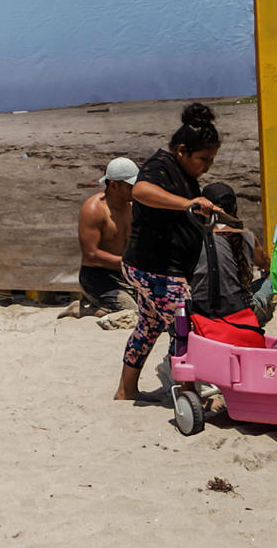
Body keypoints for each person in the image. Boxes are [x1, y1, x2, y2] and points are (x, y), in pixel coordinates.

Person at [114, 103, 229, 401]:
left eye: (211, 160)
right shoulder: (161, 165)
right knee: (185, 330)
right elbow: (140, 191)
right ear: (181, 150)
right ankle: (185, 391)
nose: (207, 166)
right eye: (203, 158)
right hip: (156, 268)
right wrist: (186, 204)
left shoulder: (186, 177)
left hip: (154, 267)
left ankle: (126, 391)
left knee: (148, 327)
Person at [184, 180, 273, 347]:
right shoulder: (246, 236)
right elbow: (268, 265)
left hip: (202, 318)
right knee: (272, 279)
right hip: (243, 316)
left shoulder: (192, 239)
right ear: (234, 209)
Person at [75, 157, 138, 316]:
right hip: (98, 275)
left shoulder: (132, 206)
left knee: (155, 308)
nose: (135, 189)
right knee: (131, 312)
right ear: (114, 184)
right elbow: (91, 255)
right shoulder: (94, 209)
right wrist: (129, 264)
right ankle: (82, 310)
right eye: (131, 185)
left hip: (125, 271)